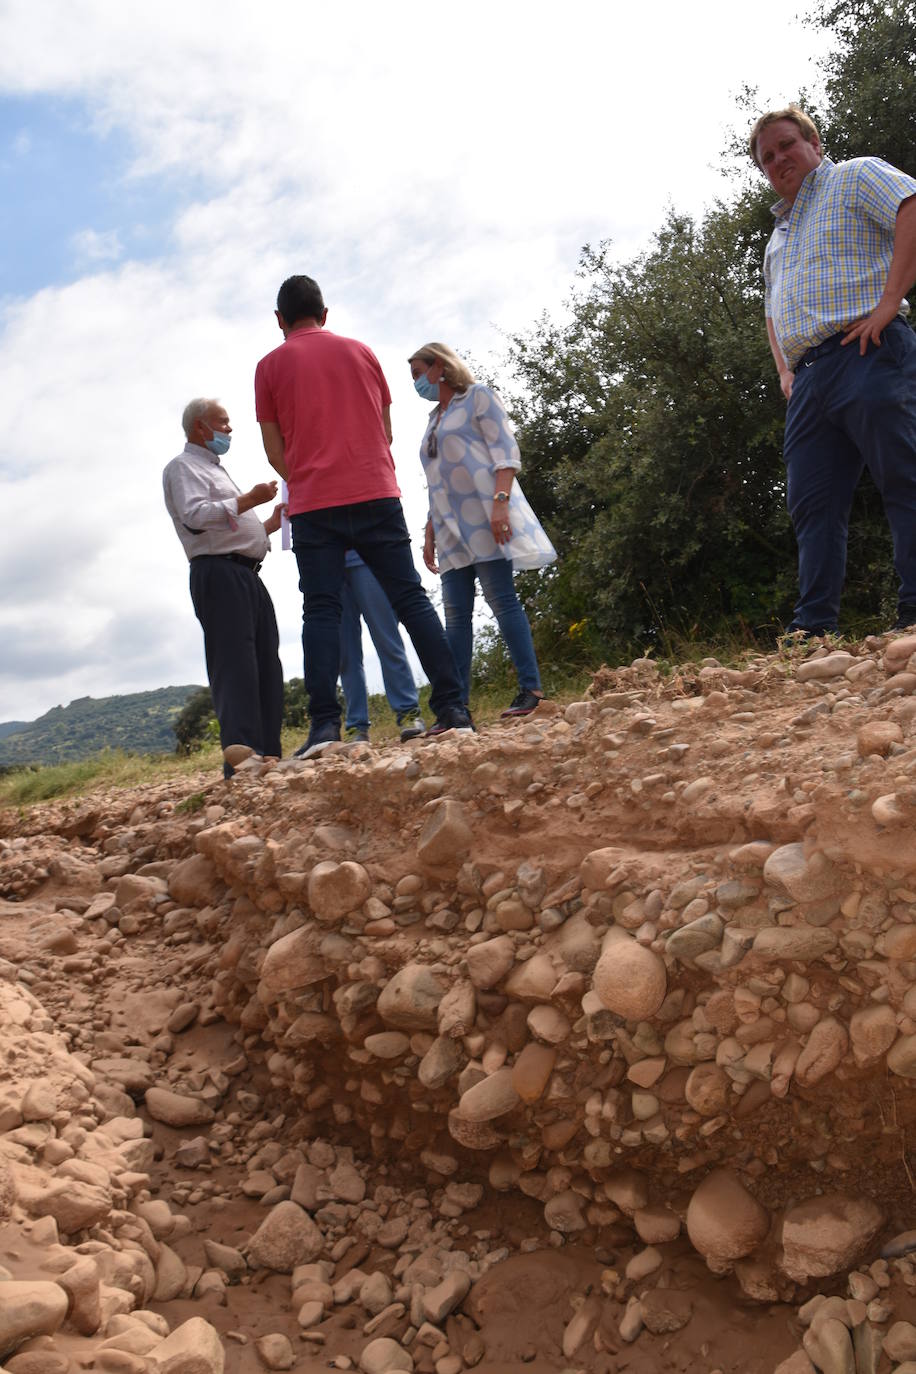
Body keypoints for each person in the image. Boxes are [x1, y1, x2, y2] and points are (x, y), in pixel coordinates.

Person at [254, 274, 472, 758]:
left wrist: (311, 477)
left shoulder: (268, 366)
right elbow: (385, 428)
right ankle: (454, 711)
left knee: (323, 610)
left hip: (315, 504)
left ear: (279, 320)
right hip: (375, 491)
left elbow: (274, 450)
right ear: (325, 313)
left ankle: (326, 729)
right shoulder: (363, 352)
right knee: (411, 600)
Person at [750, 105, 916, 637]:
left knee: (903, 476)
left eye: (786, 146)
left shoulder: (854, 175)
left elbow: (910, 205)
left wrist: (891, 301)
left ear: (814, 144)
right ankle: (814, 632)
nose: (779, 160)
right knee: (812, 507)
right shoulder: (777, 239)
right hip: (808, 382)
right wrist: (783, 372)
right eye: (767, 158)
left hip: (866, 349)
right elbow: (774, 310)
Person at [407, 343, 556, 716]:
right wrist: (429, 530)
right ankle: (456, 705)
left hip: (485, 516)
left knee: (501, 599)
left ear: (439, 367)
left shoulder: (478, 397)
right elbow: (437, 480)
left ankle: (531, 690)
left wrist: (500, 503)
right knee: (455, 616)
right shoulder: (433, 420)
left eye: (417, 374)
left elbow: (505, 452)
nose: (416, 384)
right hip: (448, 529)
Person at [163, 398, 284, 771]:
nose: (229, 430)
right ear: (200, 427)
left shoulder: (215, 469)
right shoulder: (183, 467)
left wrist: (268, 525)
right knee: (235, 664)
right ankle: (242, 754)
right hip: (218, 573)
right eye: (223, 423)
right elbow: (195, 518)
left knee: (266, 662)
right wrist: (249, 498)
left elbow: (229, 531)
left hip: (246, 573)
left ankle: (267, 752)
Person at [339, 552, 425, 742]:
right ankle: (356, 727)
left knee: (387, 639)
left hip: (365, 556)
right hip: (330, 564)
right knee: (344, 655)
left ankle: (408, 713)